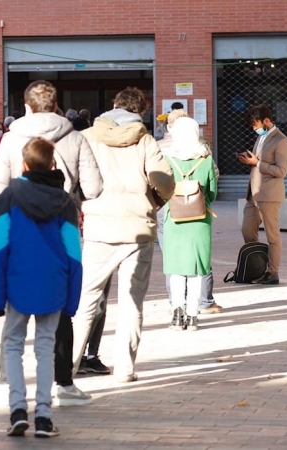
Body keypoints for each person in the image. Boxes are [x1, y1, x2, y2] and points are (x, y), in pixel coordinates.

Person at [0, 79, 102, 406]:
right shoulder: (76, 136)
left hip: (19, 226)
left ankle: (5, 381)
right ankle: (63, 384)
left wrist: (15, 202)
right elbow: (93, 188)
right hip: (63, 219)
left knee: (15, 313)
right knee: (60, 303)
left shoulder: (10, 139)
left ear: (25, 106)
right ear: (55, 106)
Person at [71, 87, 175, 383]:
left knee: (87, 298)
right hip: (137, 227)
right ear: (139, 112)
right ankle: (125, 369)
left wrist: (86, 204)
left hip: (99, 226)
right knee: (132, 302)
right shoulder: (145, 139)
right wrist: (157, 202)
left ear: (114, 106)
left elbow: (77, 178)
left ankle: (69, 365)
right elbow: (163, 180)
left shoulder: (88, 136)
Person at [0, 137, 81, 438]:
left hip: (17, 283)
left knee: (13, 344)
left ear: (25, 164)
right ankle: (43, 415)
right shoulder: (65, 202)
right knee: (45, 347)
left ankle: (17, 409)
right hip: (54, 284)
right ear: (52, 164)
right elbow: (74, 256)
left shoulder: (9, 197)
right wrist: (72, 301)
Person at [157, 109, 223, 314]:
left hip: (172, 217)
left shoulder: (167, 160)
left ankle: (177, 311)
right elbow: (212, 193)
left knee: (175, 264)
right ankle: (194, 314)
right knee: (198, 266)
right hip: (200, 218)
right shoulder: (206, 160)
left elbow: (160, 189)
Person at [237, 104, 287, 285]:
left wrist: (258, 163)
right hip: (253, 194)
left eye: (256, 124)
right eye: (252, 125)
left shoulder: (282, 141)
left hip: (269, 195)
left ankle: (272, 272)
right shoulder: (261, 138)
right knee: (247, 229)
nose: (254, 128)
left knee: (272, 235)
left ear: (267, 121)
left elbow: (281, 171)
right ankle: (256, 266)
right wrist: (250, 161)